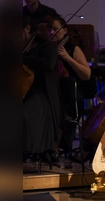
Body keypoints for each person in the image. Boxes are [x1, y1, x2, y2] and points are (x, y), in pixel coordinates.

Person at [23, 15, 65, 164]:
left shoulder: (46, 46)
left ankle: (27, 150)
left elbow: (48, 63)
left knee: (24, 114)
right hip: (25, 92)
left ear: (27, 29)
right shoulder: (21, 48)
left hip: (43, 95)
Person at [45, 16, 92, 114]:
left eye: (55, 29)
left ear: (65, 30)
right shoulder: (45, 49)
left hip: (68, 99)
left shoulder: (73, 49)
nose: (52, 33)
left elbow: (87, 74)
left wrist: (68, 58)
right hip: (49, 97)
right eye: (49, 29)